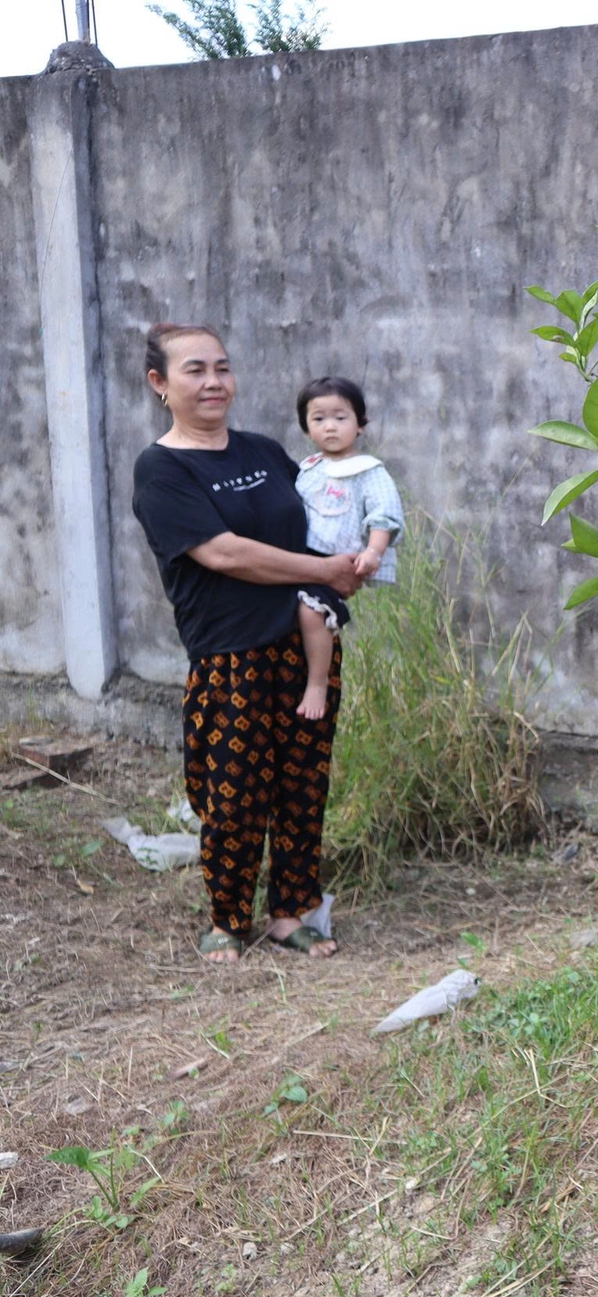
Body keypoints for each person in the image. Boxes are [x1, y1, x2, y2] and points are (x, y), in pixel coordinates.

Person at [130, 322, 366, 963]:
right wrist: (321, 570)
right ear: (161, 383)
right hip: (229, 655)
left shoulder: (263, 451)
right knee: (231, 796)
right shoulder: (162, 467)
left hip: (304, 645)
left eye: (222, 369)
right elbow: (224, 553)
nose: (214, 383)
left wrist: (355, 559)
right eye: (195, 370)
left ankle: (290, 912)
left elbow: (318, 520)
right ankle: (227, 920)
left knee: (302, 786)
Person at [291, 376, 403, 720]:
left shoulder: (368, 471)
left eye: (340, 418)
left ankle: (317, 682)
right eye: (319, 419)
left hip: (338, 560)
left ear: (360, 425)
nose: (330, 427)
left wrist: (373, 552)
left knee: (313, 614)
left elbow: (384, 515)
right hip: (299, 558)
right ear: (307, 427)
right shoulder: (307, 469)